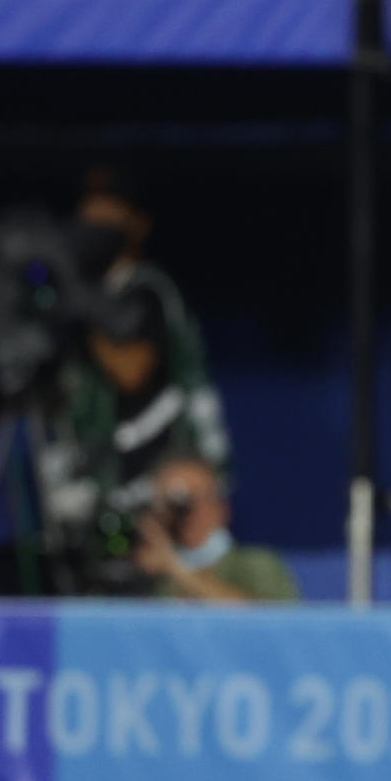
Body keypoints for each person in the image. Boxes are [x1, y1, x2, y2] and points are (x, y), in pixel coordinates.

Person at [46, 165, 232, 579]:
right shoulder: (77, 301)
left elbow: (130, 371)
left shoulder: (148, 289)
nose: (93, 231)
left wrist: (77, 297)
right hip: (101, 492)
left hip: (169, 493)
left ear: (137, 225)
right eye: (87, 219)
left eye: (107, 220)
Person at [133, 451, 297, 602]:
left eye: (185, 502)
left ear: (219, 508)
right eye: (167, 503)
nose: (178, 515)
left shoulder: (254, 564)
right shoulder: (148, 570)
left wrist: (176, 569)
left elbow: (271, 623)